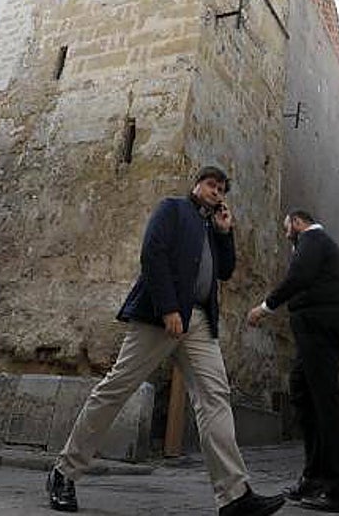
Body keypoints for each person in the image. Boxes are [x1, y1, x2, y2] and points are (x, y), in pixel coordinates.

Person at [47, 165, 286, 516]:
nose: (216, 192)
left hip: (201, 322)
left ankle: (234, 495)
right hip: (161, 315)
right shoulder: (172, 208)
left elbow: (225, 271)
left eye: (221, 189)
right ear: (196, 184)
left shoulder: (210, 226)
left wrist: (224, 233)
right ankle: (63, 472)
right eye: (210, 184)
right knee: (116, 388)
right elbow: (153, 254)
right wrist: (169, 307)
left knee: (215, 397)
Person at [247, 210, 339, 514]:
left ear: (297, 222)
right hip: (317, 328)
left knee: (325, 403)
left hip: (320, 326)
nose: (285, 235)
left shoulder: (312, 239)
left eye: (286, 229)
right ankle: (314, 477)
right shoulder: (317, 244)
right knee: (302, 393)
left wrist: (265, 307)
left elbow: (300, 277)